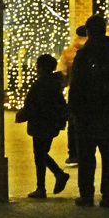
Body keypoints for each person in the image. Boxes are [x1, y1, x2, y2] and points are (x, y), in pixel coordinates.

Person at [68, 14, 109, 208]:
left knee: (86, 156)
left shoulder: (84, 55)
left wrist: (73, 110)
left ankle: (87, 195)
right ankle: (108, 196)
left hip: (86, 114)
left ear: (89, 31)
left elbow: (76, 85)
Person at [15, 54, 71, 199]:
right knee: (42, 153)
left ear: (40, 67)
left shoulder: (40, 84)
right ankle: (56, 176)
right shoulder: (54, 83)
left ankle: (44, 185)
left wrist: (22, 115)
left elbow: (31, 104)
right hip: (50, 123)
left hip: (40, 123)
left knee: (39, 155)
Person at [58, 25, 88, 167]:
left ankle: (74, 154)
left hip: (75, 92)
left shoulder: (68, 53)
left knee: (73, 123)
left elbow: (61, 73)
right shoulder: (95, 51)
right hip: (94, 94)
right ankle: (88, 153)